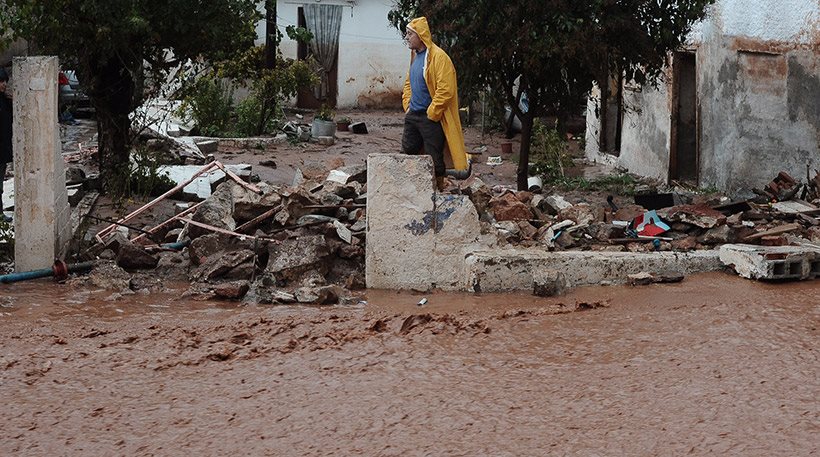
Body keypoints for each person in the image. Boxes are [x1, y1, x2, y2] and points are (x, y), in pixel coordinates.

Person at [401, 17, 468, 191]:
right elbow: (409, 84)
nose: (407, 38)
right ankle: (412, 187)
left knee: (434, 158)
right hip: (413, 115)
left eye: (409, 34)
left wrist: (432, 113)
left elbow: (446, 89)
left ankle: (437, 190)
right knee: (408, 150)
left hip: (429, 117)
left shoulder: (438, 57)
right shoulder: (416, 57)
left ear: (420, 35)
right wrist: (407, 106)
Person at [0, 67, 12, 222]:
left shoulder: (5, 101)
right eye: (1, 81)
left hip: (2, 151)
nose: (4, 85)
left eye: (5, 82)